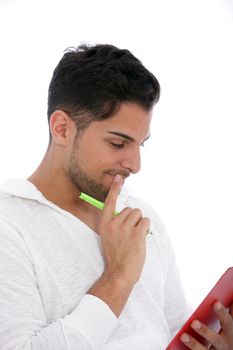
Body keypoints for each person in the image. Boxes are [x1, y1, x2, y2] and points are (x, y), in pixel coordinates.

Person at [0, 44, 232, 350]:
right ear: (62, 129)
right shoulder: (10, 226)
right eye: (117, 143)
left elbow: (171, 331)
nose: (135, 165)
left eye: (140, 145)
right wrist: (121, 274)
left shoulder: (139, 215)